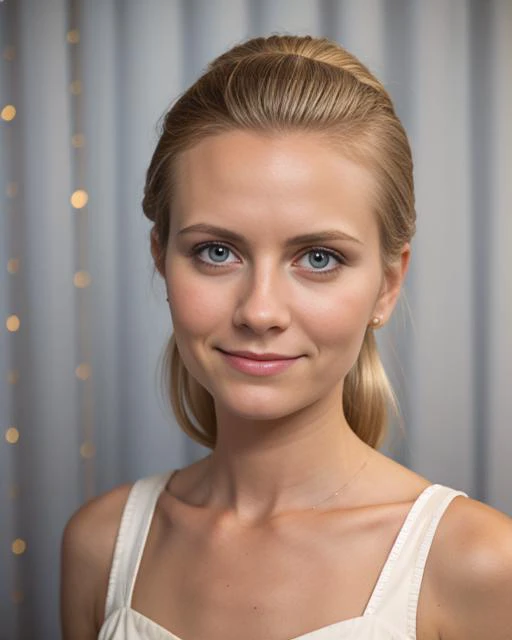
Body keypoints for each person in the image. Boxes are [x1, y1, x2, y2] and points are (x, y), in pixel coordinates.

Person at [60, 35, 512, 640]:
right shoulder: (99, 544)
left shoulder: (478, 562)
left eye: (318, 258)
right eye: (216, 252)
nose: (260, 310)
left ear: (388, 283)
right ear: (161, 259)